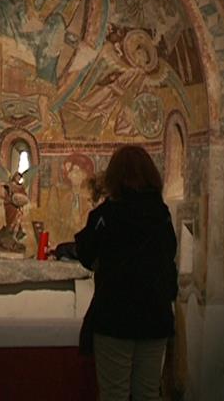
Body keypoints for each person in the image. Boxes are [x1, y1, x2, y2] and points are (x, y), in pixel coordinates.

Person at [74, 145, 178, 401]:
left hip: (115, 317)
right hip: (155, 316)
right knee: (148, 393)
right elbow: (169, 252)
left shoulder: (107, 214)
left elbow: (86, 254)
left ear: (115, 176)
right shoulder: (161, 214)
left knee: (114, 394)